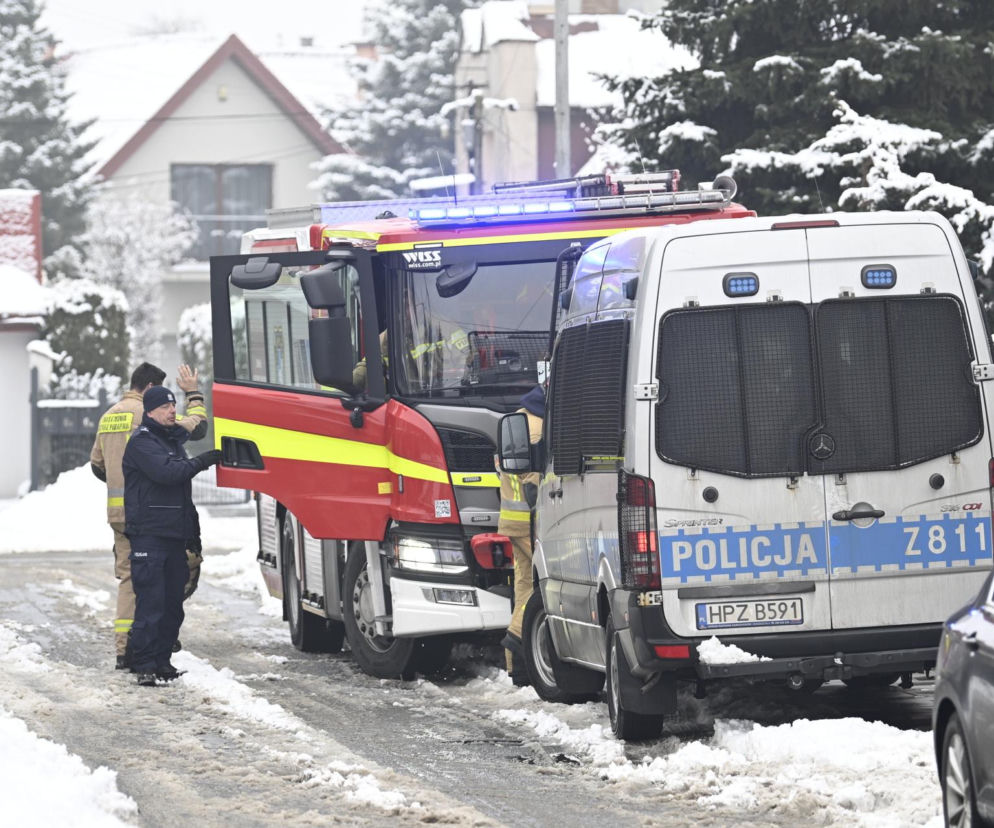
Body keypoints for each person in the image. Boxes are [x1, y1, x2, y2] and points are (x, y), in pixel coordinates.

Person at [90, 363, 207, 670]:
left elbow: (97, 465)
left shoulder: (109, 414)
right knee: (163, 579)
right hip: (152, 514)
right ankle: (150, 646)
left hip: (118, 512)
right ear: (151, 387)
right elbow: (198, 428)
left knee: (129, 578)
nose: (169, 407)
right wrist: (193, 394)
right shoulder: (148, 414)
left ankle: (124, 648)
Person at [122, 385, 222, 686]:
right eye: (165, 407)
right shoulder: (142, 442)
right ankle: (144, 664)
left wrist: (193, 535)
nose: (171, 411)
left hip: (173, 536)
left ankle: (163, 661)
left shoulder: (170, 441)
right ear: (150, 411)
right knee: (150, 603)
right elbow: (168, 473)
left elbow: (182, 493)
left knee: (171, 606)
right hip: (149, 535)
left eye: (173, 405)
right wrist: (205, 460)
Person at [498, 384, 545, 686]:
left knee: (524, 590)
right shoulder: (539, 426)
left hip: (513, 522)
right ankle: (516, 641)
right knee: (542, 589)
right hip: (532, 522)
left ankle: (518, 668)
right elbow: (535, 481)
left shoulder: (517, 419)